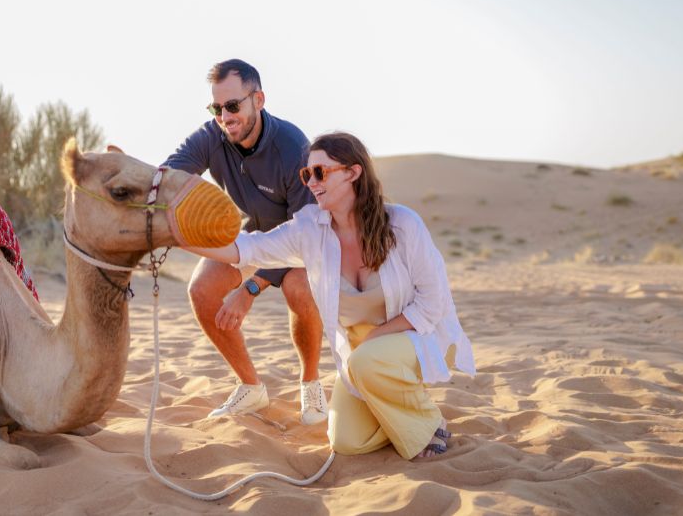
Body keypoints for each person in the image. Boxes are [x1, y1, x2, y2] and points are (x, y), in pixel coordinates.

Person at [186, 131, 475, 460]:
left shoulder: (403, 224)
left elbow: (432, 303)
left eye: (320, 172)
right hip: (362, 356)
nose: (311, 182)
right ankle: (394, 401)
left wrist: (375, 339)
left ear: (353, 173)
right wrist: (178, 235)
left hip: (410, 338)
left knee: (369, 361)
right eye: (306, 174)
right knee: (346, 441)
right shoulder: (311, 229)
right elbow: (247, 248)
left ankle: (428, 425)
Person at [164, 59, 327, 425]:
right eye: (217, 108)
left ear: (259, 100)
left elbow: (305, 235)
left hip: (299, 241)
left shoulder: (293, 147)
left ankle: (311, 384)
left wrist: (249, 289)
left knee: (300, 291)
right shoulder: (211, 136)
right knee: (202, 290)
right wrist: (139, 182)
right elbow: (169, 174)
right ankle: (251, 388)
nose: (225, 117)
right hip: (253, 234)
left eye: (233, 106)